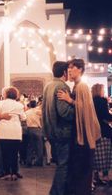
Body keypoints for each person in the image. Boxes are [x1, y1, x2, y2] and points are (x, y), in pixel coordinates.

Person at [57, 59, 101, 195]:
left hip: (85, 137)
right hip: (80, 135)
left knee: (83, 171)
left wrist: (69, 100)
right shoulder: (77, 86)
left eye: (72, 67)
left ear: (80, 69)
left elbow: (86, 109)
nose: (69, 70)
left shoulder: (82, 86)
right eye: (68, 68)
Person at [42, 61, 74, 195]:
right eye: (68, 70)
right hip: (63, 132)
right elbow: (64, 112)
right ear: (64, 72)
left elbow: (44, 110)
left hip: (52, 131)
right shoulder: (62, 86)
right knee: (63, 165)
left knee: (61, 164)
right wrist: (78, 110)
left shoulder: (48, 86)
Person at [0, 87, 27, 181]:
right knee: (14, 154)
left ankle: (7, 173)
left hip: (3, 131)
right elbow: (23, 118)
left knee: (5, 153)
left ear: (6, 94)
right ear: (16, 95)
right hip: (15, 132)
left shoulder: (0, 103)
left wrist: (2, 116)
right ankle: (14, 173)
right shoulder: (19, 105)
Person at [91, 83, 112, 186]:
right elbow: (105, 115)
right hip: (103, 130)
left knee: (96, 156)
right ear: (100, 90)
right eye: (103, 90)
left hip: (94, 131)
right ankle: (106, 177)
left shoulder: (91, 101)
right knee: (106, 154)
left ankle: (96, 178)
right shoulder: (102, 101)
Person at [25, 100, 44, 167]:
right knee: (39, 147)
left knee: (30, 146)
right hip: (37, 129)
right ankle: (39, 162)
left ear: (29, 105)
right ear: (35, 105)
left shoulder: (26, 112)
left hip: (29, 129)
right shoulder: (38, 112)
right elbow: (42, 119)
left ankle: (29, 161)